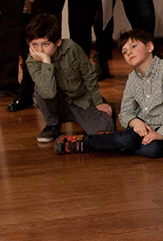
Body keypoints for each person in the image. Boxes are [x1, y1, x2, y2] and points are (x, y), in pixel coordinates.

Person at [56, 26, 163, 157]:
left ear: (149, 47)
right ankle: (84, 144)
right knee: (128, 140)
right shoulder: (132, 78)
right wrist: (135, 122)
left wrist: (161, 133)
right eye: (124, 52)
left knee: (153, 150)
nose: (129, 53)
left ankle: (103, 142)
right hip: (142, 126)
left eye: (133, 46)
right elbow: (125, 112)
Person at [23, 11, 116, 145]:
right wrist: (46, 62)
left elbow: (89, 74)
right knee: (40, 89)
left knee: (104, 131)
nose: (40, 50)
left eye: (45, 44)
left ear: (58, 42)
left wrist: (98, 101)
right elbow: (48, 93)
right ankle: (52, 125)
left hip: (81, 100)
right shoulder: (32, 60)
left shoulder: (71, 48)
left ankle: (101, 112)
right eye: (34, 45)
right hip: (58, 103)